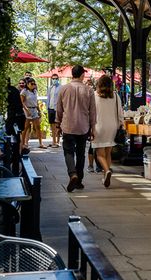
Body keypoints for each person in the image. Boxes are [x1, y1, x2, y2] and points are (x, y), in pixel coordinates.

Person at [56, 64, 97, 192]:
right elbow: (93, 111)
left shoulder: (63, 89)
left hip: (68, 125)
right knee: (80, 153)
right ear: (82, 75)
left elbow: (59, 109)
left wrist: (58, 124)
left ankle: (72, 173)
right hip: (83, 126)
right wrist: (93, 128)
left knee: (68, 151)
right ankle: (79, 181)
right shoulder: (89, 90)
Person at [90, 74, 124, 188]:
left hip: (98, 126)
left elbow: (91, 113)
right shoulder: (115, 96)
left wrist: (90, 127)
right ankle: (105, 175)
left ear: (99, 84)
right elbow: (120, 112)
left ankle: (107, 171)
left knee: (100, 154)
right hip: (112, 126)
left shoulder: (94, 95)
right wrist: (121, 123)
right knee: (108, 152)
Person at [20, 77, 46, 150]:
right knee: (26, 128)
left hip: (34, 109)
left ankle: (41, 143)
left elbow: (36, 101)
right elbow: (22, 102)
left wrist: (39, 110)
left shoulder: (35, 91)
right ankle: (23, 143)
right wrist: (26, 110)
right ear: (27, 84)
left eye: (34, 84)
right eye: (32, 84)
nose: (33, 85)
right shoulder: (24, 91)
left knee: (37, 127)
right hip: (27, 110)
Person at [47, 73, 61, 147]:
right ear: (51, 79)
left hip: (57, 108)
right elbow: (48, 98)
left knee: (57, 125)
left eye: (56, 79)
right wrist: (47, 107)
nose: (54, 80)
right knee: (52, 126)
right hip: (50, 108)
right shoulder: (50, 88)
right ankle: (53, 141)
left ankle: (57, 141)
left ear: (58, 79)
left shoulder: (61, 87)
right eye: (53, 78)